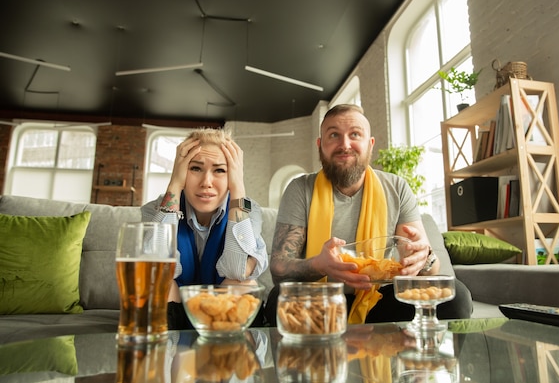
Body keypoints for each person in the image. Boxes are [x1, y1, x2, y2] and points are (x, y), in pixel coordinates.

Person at [265, 104, 472, 325]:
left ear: (370, 144)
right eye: (334, 135)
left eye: (355, 134)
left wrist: (424, 258)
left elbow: (426, 267)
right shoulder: (300, 189)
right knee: (279, 300)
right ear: (320, 145)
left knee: (455, 296)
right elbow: (279, 270)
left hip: (380, 301)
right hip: (322, 303)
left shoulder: (396, 187)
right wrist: (319, 265)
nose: (345, 145)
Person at [142, 127, 268, 329]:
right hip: (175, 309)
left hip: (220, 311)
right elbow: (154, 268)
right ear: (182, 170)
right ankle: (165, 357)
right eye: (195, 168)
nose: (206, 182)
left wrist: (238, 190)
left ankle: (227, 358)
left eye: (220, 170)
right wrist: (175, 184)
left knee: (243, 286)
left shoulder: (248, 211)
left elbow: (238, 271)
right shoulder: (156, 210)